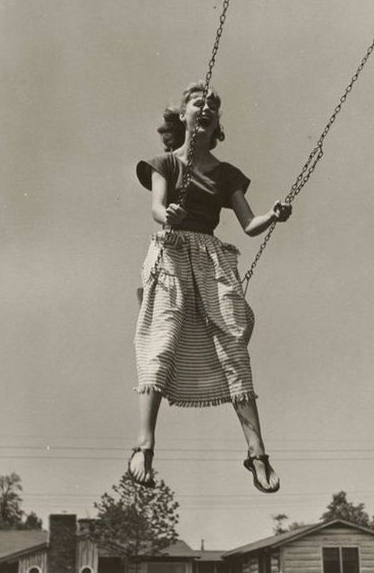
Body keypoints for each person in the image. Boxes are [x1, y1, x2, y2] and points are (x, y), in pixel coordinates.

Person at [128, 81, 292, 493]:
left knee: (233, 347)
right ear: (183, 116)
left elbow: (250, 225)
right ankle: (144, 444)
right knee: (162, 339)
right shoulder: (164, 163)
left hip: (211, 259)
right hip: (171, 251)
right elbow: (156, 209)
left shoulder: (226, 174)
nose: (206, 107)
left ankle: (257, 454)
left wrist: (273, 214)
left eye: (213, 106)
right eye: (198, 102)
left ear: (217, 124)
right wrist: (170, 215)